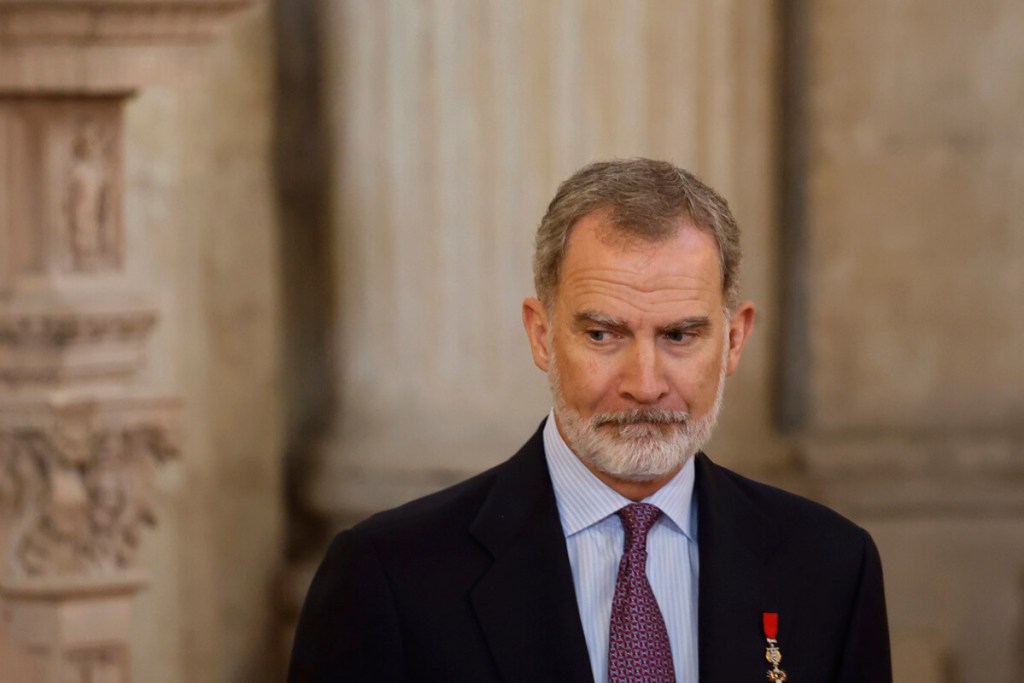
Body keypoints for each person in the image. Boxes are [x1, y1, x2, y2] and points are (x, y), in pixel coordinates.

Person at [288, 158, 891, 683]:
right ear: (541, 334)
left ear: (734, 341)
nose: (644, 384)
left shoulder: (831, 569)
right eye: (603, 334)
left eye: (680, 336)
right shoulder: (390, 576)